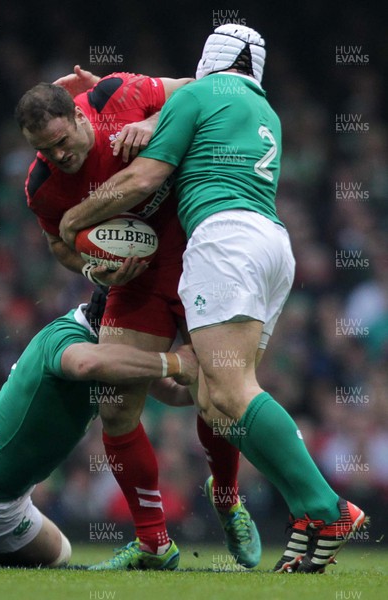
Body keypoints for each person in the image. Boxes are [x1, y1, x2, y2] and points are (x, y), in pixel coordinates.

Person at [58, 24, 368, 574]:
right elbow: (172, 100)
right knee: (216, 400)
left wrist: (74, 220)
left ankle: (327, 506)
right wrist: (132, 104)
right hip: (273, 246)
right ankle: (307, 517)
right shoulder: (263, 109)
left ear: (209, 59)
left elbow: (142, 178)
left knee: (229, 390)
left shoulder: (200, 93)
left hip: (223, 242)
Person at [16, 70, 261, 569]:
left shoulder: (116, 95)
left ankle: (228, 497)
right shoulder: (41, 185)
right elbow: (60, 245)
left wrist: (154, 122)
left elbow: (201, 87)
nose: (58, 156)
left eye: (62, 141)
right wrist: (92, 267)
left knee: (219, 391)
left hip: (197, 253)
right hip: (135, 280)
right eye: (46, 150)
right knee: (115, 404)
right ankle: (154, 542)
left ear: (80, 114)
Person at [0, 299, 198, 568]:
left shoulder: (108, 349)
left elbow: (173, 392)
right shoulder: (67, 337)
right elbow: (86, 364)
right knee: (56, 555)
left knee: (57, 546)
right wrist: (175, 362)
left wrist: (218, 386)